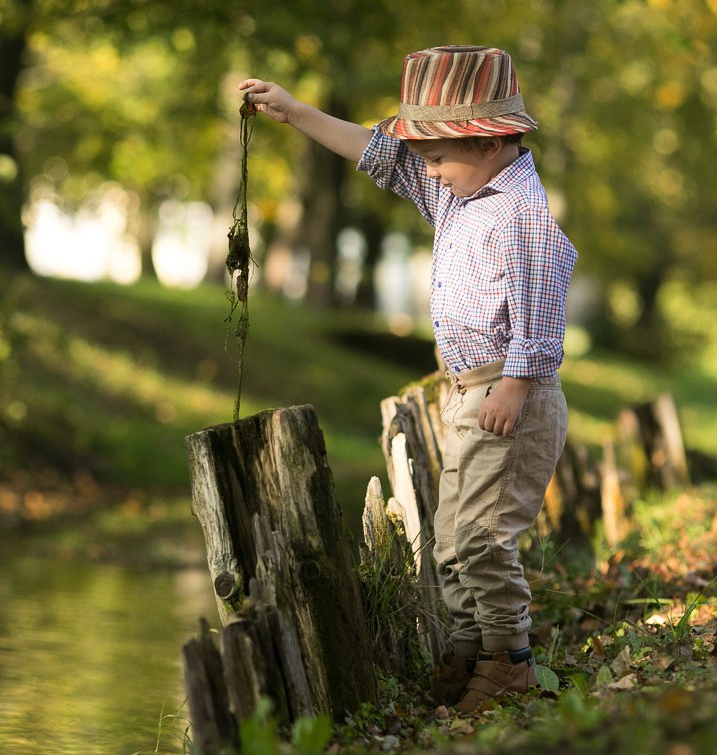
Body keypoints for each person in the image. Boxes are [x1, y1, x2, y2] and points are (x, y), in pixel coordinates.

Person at [239, 45, 576, 712]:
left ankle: (509, 658)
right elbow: (379, 154)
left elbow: (541, 307)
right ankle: (472, 642)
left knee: (484, 534)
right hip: (465, 392)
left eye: (438, 157)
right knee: (451, 534)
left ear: (491, 139)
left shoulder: (519, 211)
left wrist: (516, 381)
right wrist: (296, 111)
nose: (430, 173)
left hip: (509, 392)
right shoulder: (462, 189)